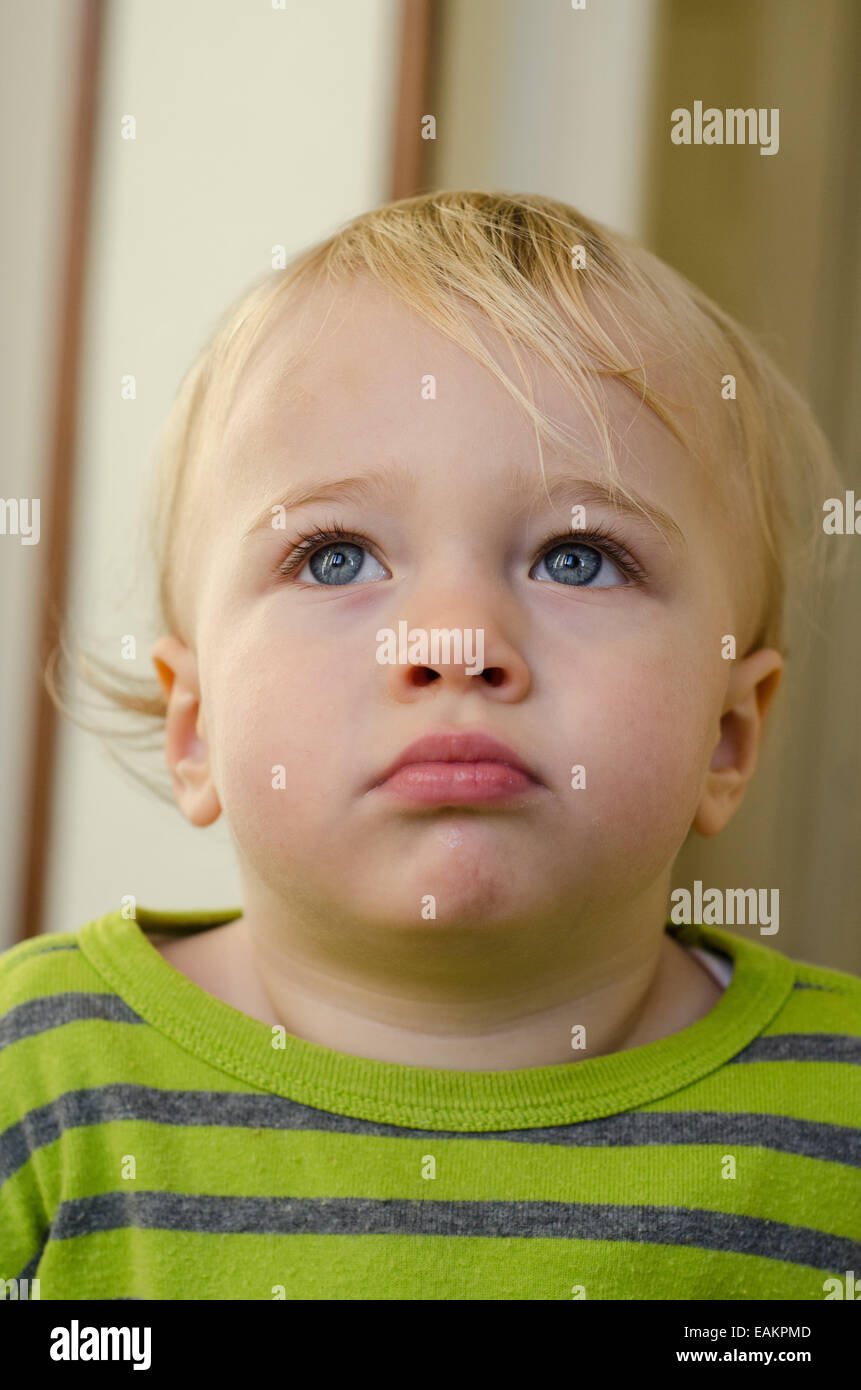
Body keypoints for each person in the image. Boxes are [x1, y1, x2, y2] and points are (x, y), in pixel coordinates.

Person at [2, 191, 858, 1300]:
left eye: (579, 558)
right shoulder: (42, 1076)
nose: (456, 642)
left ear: (728, 736)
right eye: (336, 556)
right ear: (199, 727)